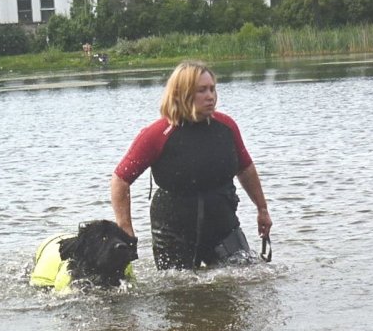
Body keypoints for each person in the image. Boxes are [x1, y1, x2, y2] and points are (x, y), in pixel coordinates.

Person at [110, 60, 272, 270]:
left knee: (246, 277)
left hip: (222, 223)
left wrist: (262, 209)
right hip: (173, 230)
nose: (210, 96)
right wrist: (125, 229)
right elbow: (120, 180)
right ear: (182, 94)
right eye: (202, 90)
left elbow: (246, 168)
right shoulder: (158, 134)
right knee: (177, 289)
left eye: (213, 89)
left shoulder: (226, 127)